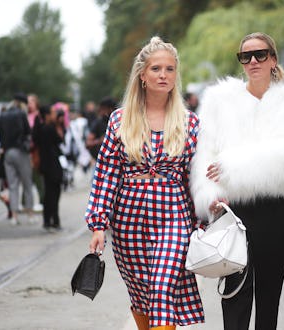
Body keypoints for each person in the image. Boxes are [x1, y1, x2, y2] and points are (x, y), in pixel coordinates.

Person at [190, 32, 284, 330]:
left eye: (260, 54)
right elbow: (205, 157)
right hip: (233, 211)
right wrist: (212, 195)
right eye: (246, 56)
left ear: (273, 59)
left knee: (269, 297)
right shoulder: (218, 101)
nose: (253, 61)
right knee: (234, 295)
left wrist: (231, 166)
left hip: (277, 208)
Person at [85, 36, 204, 330]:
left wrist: (206, 213)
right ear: (142, 75)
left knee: (163, 290)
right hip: (128, 217)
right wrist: (98, 224)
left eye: (169, 69)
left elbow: (196, 175)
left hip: (174, 214)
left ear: (176, 75)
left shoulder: (190, 122)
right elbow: (106, 174)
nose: (163, 75)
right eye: (156, 69)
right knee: (142, 295)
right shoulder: (119, 120)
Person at [0, 93, 35, 225]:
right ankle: (30, 214)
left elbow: (0, 134)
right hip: (21, 151)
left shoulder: (3, 114)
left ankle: (14, 216)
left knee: (12, 185)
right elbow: (28, 132)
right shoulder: (21, 114)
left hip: (7, 152)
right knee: (27, 184)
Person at [33, 105, 64, 231]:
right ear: (46, 115)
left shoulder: (39, 129)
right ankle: (54, 220)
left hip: (45, 165)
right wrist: (58, 125)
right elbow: (60, 140)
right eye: (52, 113)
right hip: (53, 164)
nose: (54, 115)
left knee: (48, 193)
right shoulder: (50, 129)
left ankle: (49, 220)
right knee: (54, 193)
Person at [85, 96, 117, 160]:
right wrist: (100, 141)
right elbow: (88, 143)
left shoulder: (118, 121)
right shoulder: (98, 123)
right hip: (102, 160)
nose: (102, 112)